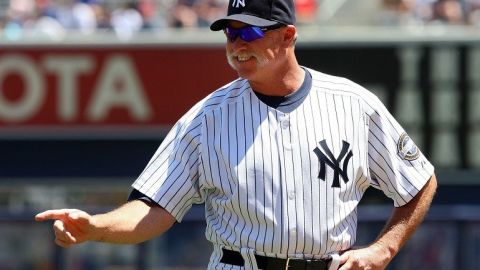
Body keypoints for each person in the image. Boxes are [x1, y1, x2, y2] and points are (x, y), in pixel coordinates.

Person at [35, 0, 438, 269]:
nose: (237, 45)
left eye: (250, 33)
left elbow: (419, 180)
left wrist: (385, 248)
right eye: (231, 33)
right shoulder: (207, 118)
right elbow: (154, 208)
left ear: (287, 36)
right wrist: (95, 227)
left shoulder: (353, 103)